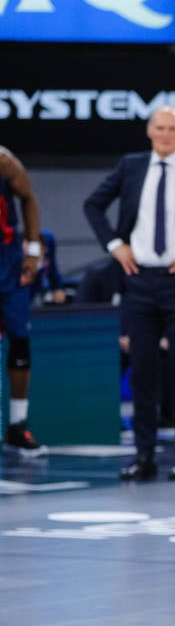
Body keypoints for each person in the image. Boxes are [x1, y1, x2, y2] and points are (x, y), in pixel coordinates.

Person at [83, 107, 175, 480]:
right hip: (138, 281)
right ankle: (143, 457)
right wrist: (116, 245)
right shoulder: (130, 166)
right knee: (143, 373)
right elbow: (93, 205)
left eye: (172, 128)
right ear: (149, 131)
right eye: (159, 128)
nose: (165, 134)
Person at [0, 146, 48, 455]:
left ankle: (18, 425)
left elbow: (28, 197)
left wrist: (32, 250)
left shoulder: (3, 160)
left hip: (7, 260)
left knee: (19, 341)